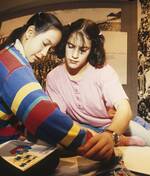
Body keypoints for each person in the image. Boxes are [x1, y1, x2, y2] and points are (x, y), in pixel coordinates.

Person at [0, 12, 114, 161]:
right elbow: (42, 115)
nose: (44, 54)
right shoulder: (12, 65)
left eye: (50, 48)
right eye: (45, 44)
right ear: (30, 32)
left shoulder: (8, 56)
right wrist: (91, 143)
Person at [45, 18, 150, 149]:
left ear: (92, 49)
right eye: (71, 46)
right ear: (64, 44)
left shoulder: (103, 72)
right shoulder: (53, 77)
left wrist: (109, 135)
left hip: (115, 126)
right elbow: (59, 120)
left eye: (83, 50)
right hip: (80, 127)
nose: (74, 55)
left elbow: (125, 110)